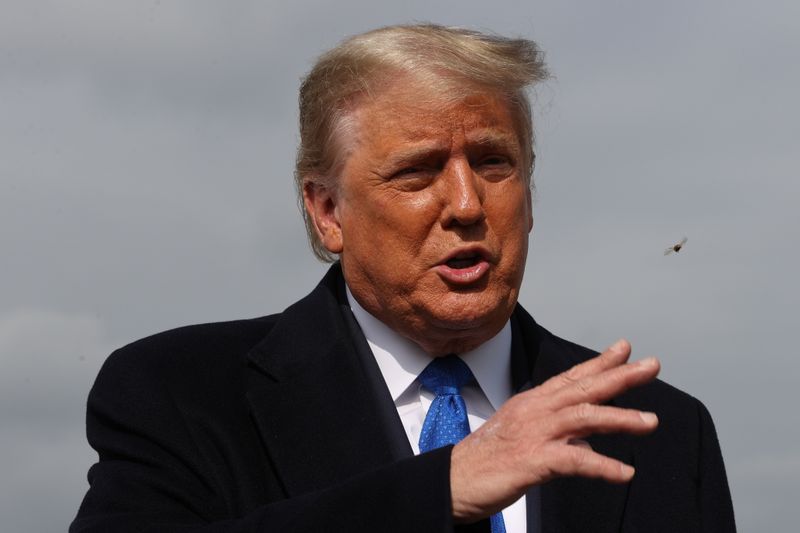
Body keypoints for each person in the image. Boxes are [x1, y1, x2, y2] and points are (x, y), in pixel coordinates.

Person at [71, 24, 736, 532]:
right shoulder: (179, 395)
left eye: (494, 162)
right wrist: (439, 489)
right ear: (328, 211)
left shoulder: (662, 432)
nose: (468, 204)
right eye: (418, 171)